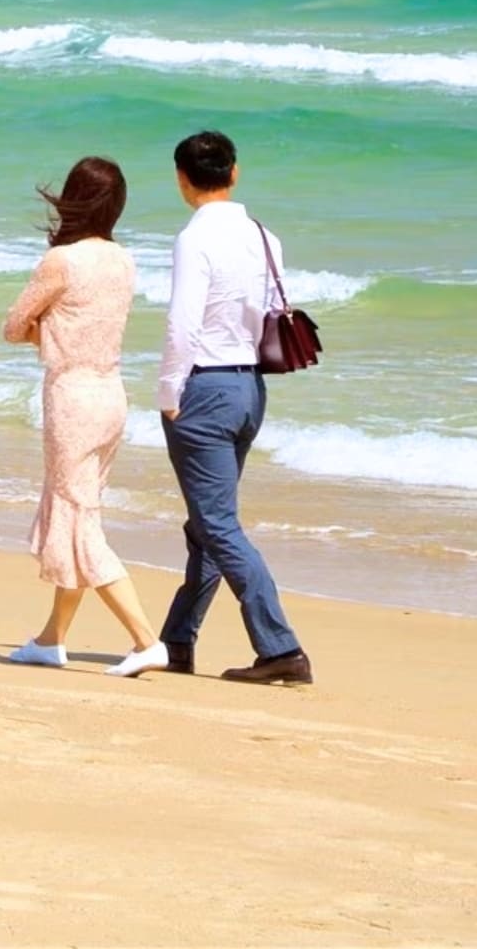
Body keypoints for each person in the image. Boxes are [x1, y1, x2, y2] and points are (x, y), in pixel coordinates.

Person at [155, 129, 314, 685]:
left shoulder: (193, 239)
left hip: (205, 388)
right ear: (235, 172)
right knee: (208, 523)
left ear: (182, 180)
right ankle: (176, 641)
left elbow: (182, 323)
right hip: (250, 389)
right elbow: (272, 309)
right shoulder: (265, 236)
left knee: (217, 525)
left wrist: (169, 392)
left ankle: (281, 648)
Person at [0, 157, 163, 676]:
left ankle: (144, 640)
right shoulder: (124, 260)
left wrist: (46, 333)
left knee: (78, 521)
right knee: (78, 513)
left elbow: (12, 326)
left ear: (72, 199)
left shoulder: (61, 262)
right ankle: (51, 639)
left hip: (72, 397)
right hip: (112, 395)